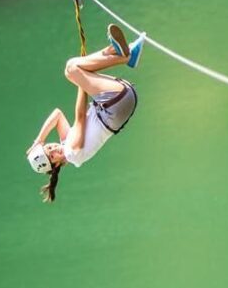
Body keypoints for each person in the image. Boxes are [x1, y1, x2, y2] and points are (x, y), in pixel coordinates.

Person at [26, 24, 146, 202]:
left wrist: (39, 140)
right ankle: (124, 57)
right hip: (114, 106)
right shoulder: (72, 153)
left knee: (75, 68)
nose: (53, 149)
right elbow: (80, 118)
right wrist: (80, 80)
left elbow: (57, 115)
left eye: (49, 148)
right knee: (72, 69)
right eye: (51, 156)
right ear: (56, 164)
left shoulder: (66, 142)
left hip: (116, 103)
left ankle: (122, 52)